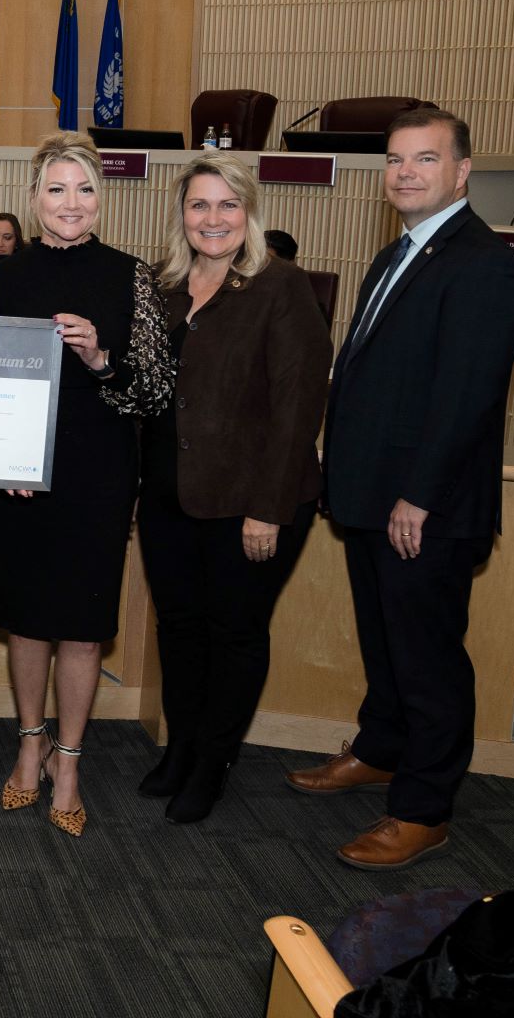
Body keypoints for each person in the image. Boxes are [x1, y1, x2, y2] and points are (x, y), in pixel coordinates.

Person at [286, 108, 514, 871]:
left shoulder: (483, 264)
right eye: (395, 160)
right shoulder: (397, 253)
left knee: (427, 660)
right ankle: (384, 748)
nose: (406, 173)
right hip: (373, 496)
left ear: (462, 172)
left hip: (424, 508)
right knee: (386, 643)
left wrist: (417, 497)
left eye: (425, 159)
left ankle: (424, 808)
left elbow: (467, 397)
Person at [0, 130, 172, 838]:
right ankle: (29, 746)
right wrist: (1, 457)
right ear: (34, 201)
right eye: (57, 189)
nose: (71, 202)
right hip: (17, 476)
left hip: (96, 472)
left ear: (101, 200)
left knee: (85, 628)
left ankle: (69, 761)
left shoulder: (132, 277)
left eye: (85, 189)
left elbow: (155, 392)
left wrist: (100, 358)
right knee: (29, 619)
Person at [134, 153, 331, 824]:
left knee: (235, 632)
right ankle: (182, 748)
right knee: (181, 630)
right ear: (181, 214)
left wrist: (268, 510)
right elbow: (148, 393)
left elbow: (298, 409)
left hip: (251, 503)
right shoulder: (163, 288)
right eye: (198, 205)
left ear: (248, 213)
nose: (212, 218)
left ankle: (213, 763)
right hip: (169, 497)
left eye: (226, 205)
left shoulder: (281, 288)